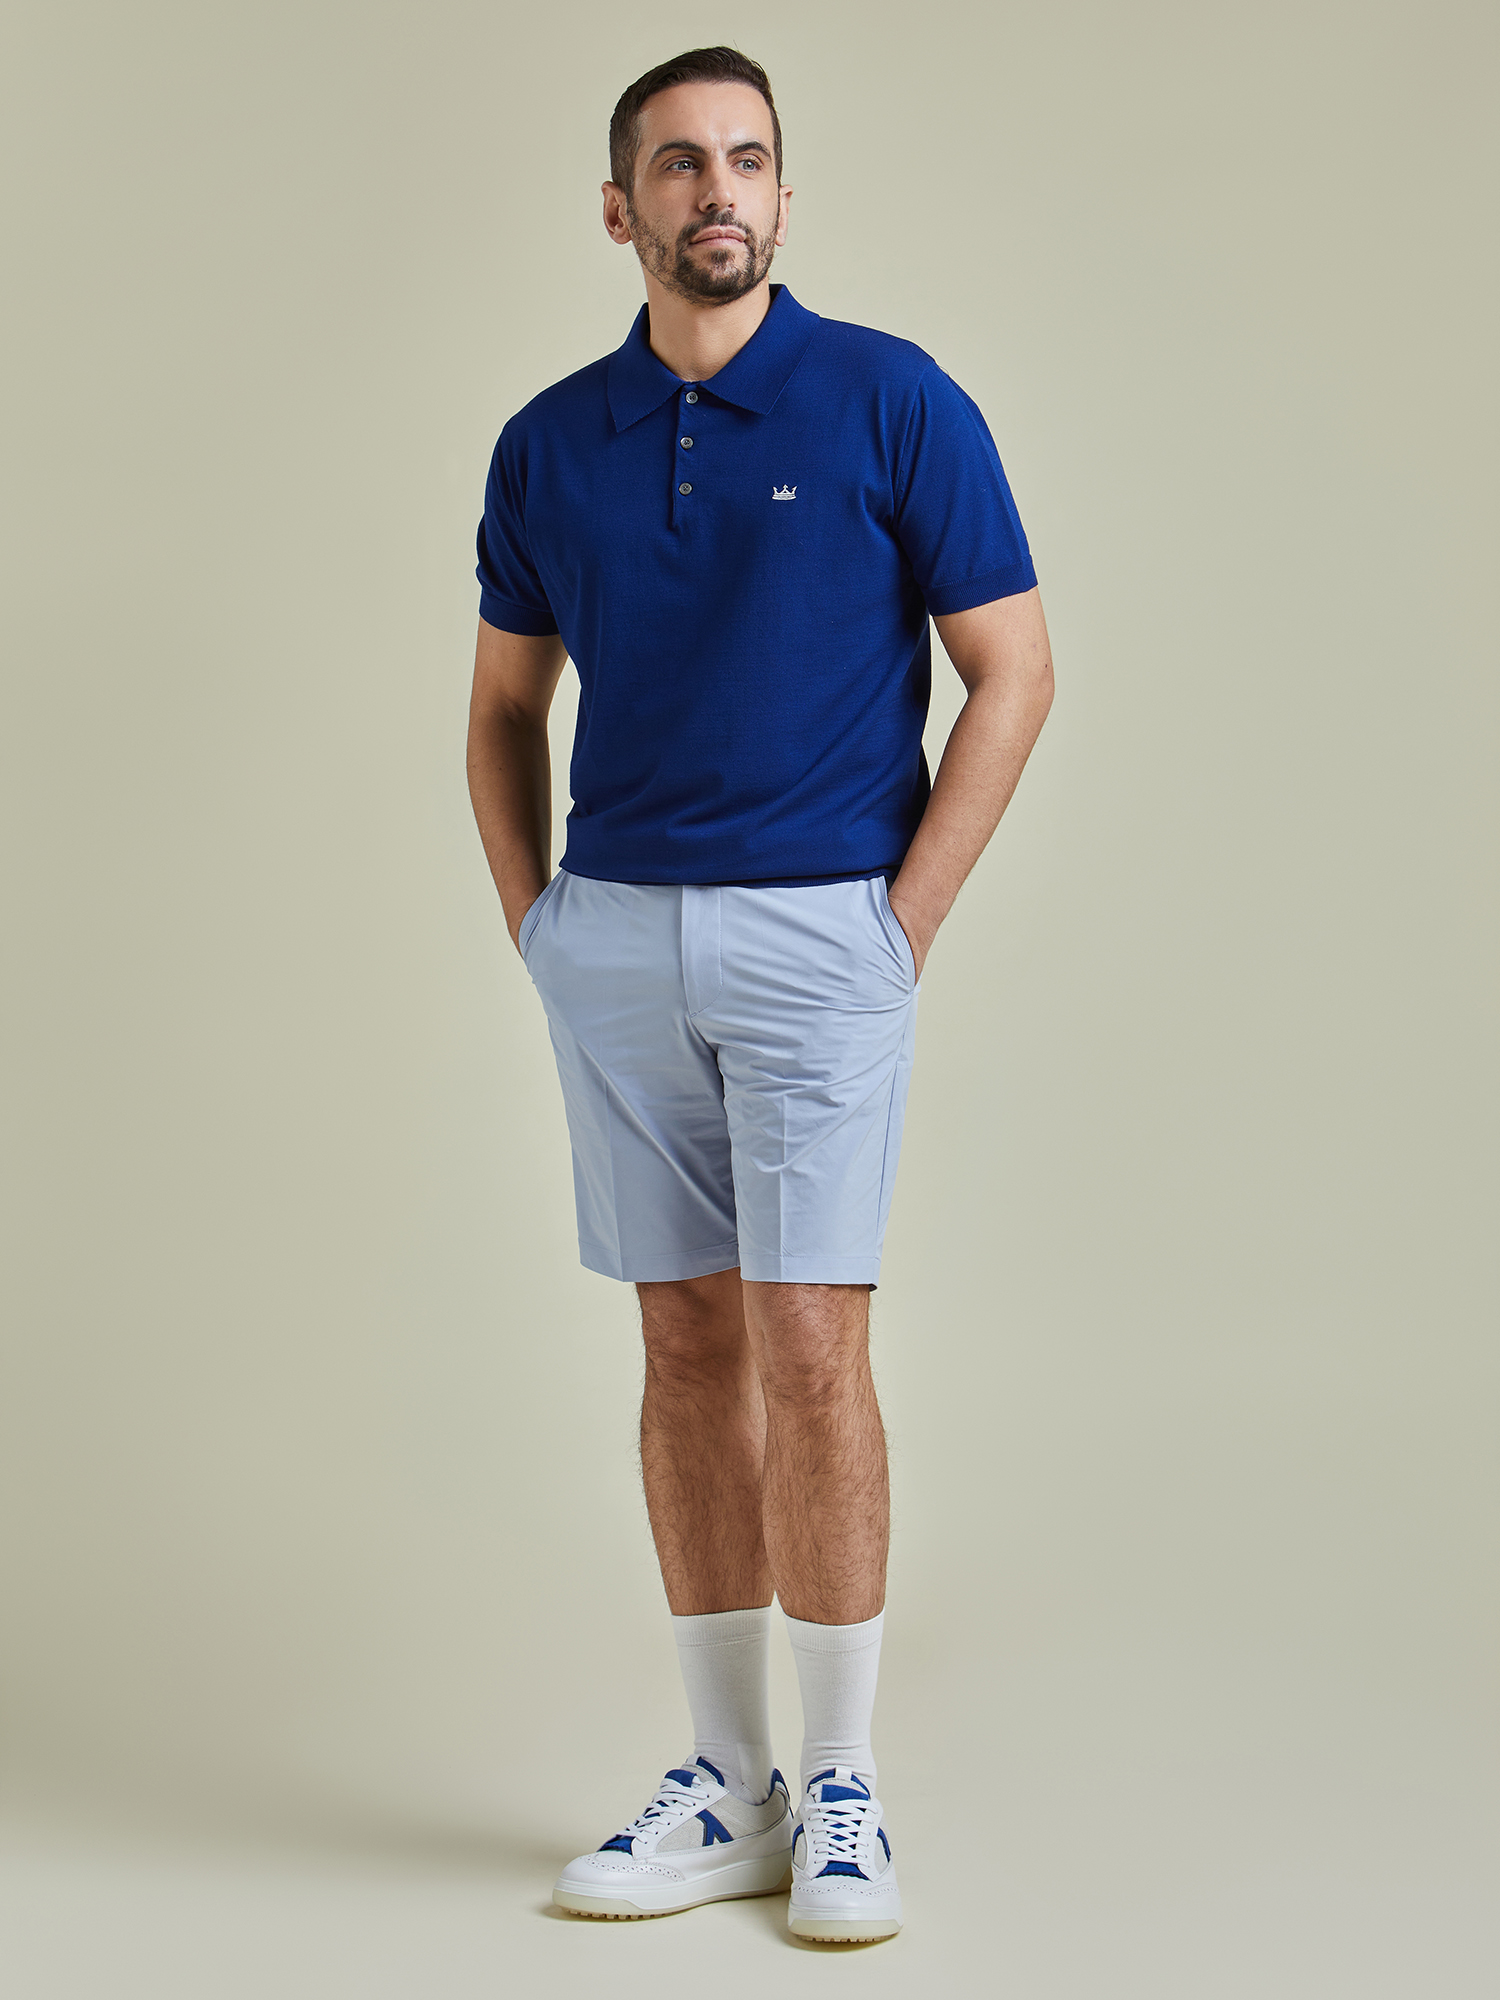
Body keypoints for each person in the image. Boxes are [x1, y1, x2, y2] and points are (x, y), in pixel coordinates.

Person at [466, 45, 1053, 1945]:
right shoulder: (550, 442)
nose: (716, 189)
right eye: (677, 163)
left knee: (811, 1345)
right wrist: (541, 926)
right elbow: (501, 706)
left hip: (824, 937)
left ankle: (848, 1780)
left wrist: (902, 926)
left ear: (785, 198)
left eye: (747, 160)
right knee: (683, 1347)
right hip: (618, 938)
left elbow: (1016, 671)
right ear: (618, 207)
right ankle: (729, 1778)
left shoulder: (895, 398)